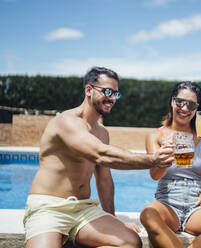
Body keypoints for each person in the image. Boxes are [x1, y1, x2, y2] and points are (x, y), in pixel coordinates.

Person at [23, 66, 174, 248]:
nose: (112, 99)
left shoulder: (102, 132)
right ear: (89, 90)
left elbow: (104, 180)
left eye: (116, 94)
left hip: (83, 209)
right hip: (49, 208)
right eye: (108, 92)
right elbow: (100, 154)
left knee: (131, 242)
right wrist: (152, 160)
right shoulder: (66, 121)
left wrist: (111, 219)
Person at [140, 81, 201, 248]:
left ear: (196, 108)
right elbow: (154, 175)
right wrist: (166, 154)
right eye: (180, 102)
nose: (184, 108)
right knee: (148, 214)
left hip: (197, 203)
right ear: (172, 101)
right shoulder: (156, 135)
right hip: (167, 201)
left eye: (191, 105)